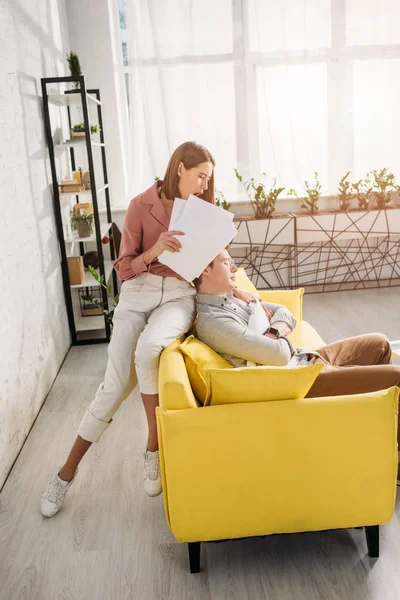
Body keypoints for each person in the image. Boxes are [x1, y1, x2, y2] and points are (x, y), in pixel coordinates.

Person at [40, 142, 254, 518]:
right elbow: (123, 270)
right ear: (179, 170)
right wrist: (154, 251)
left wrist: (233, 286)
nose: (205, 185)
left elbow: (214, 260)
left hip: (177, 295)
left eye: (208, 178)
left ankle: (152, 450)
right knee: (111, 386)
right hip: (137, 291)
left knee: (149, 351)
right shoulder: (141, 206)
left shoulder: (203, 210)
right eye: (200, 176)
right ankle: (65, 473)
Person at [194, 249, 400, 403]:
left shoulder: (235, 297)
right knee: (396, 376)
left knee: (380, 343)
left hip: (303, 360)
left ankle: (374, 420)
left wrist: (271, 332)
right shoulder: (214, 322)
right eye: (226, 263)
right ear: (205, 270)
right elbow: (280, 354)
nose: (234, 269)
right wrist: (274, 332)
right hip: (297, 382)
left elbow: (285, 314)